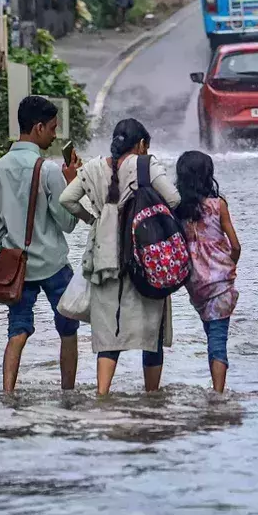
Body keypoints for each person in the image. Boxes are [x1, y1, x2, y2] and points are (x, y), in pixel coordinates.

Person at [60, 119, 180, 396]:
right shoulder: (146, 165)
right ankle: (152, 398)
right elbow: (173, 199)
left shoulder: (91, 168)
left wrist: (93, 218)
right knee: (152, 335)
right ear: (140, 145)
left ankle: (102, 396)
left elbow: (66, 199)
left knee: (108, 335)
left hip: (105, 258)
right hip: (144, 256)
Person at [0, 96, 83, 393]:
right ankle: (67, 395)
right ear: (38, 127)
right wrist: (71, 184)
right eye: (52, 128)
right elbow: (67, 224)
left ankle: (8, 395)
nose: (55, 135)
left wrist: (15, 249)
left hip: (17, 268)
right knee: (68, 331)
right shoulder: (50, 170)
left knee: (17, 332)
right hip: (53, 265)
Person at [175, 151, 240, 394]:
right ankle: (218, 393)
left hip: (195, 285)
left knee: (210, 334)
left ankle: (216, 389)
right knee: (218, 339)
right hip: (220, 284)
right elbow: (235, 245)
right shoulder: (218, 206)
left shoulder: (178, 209)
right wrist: (228, 265)